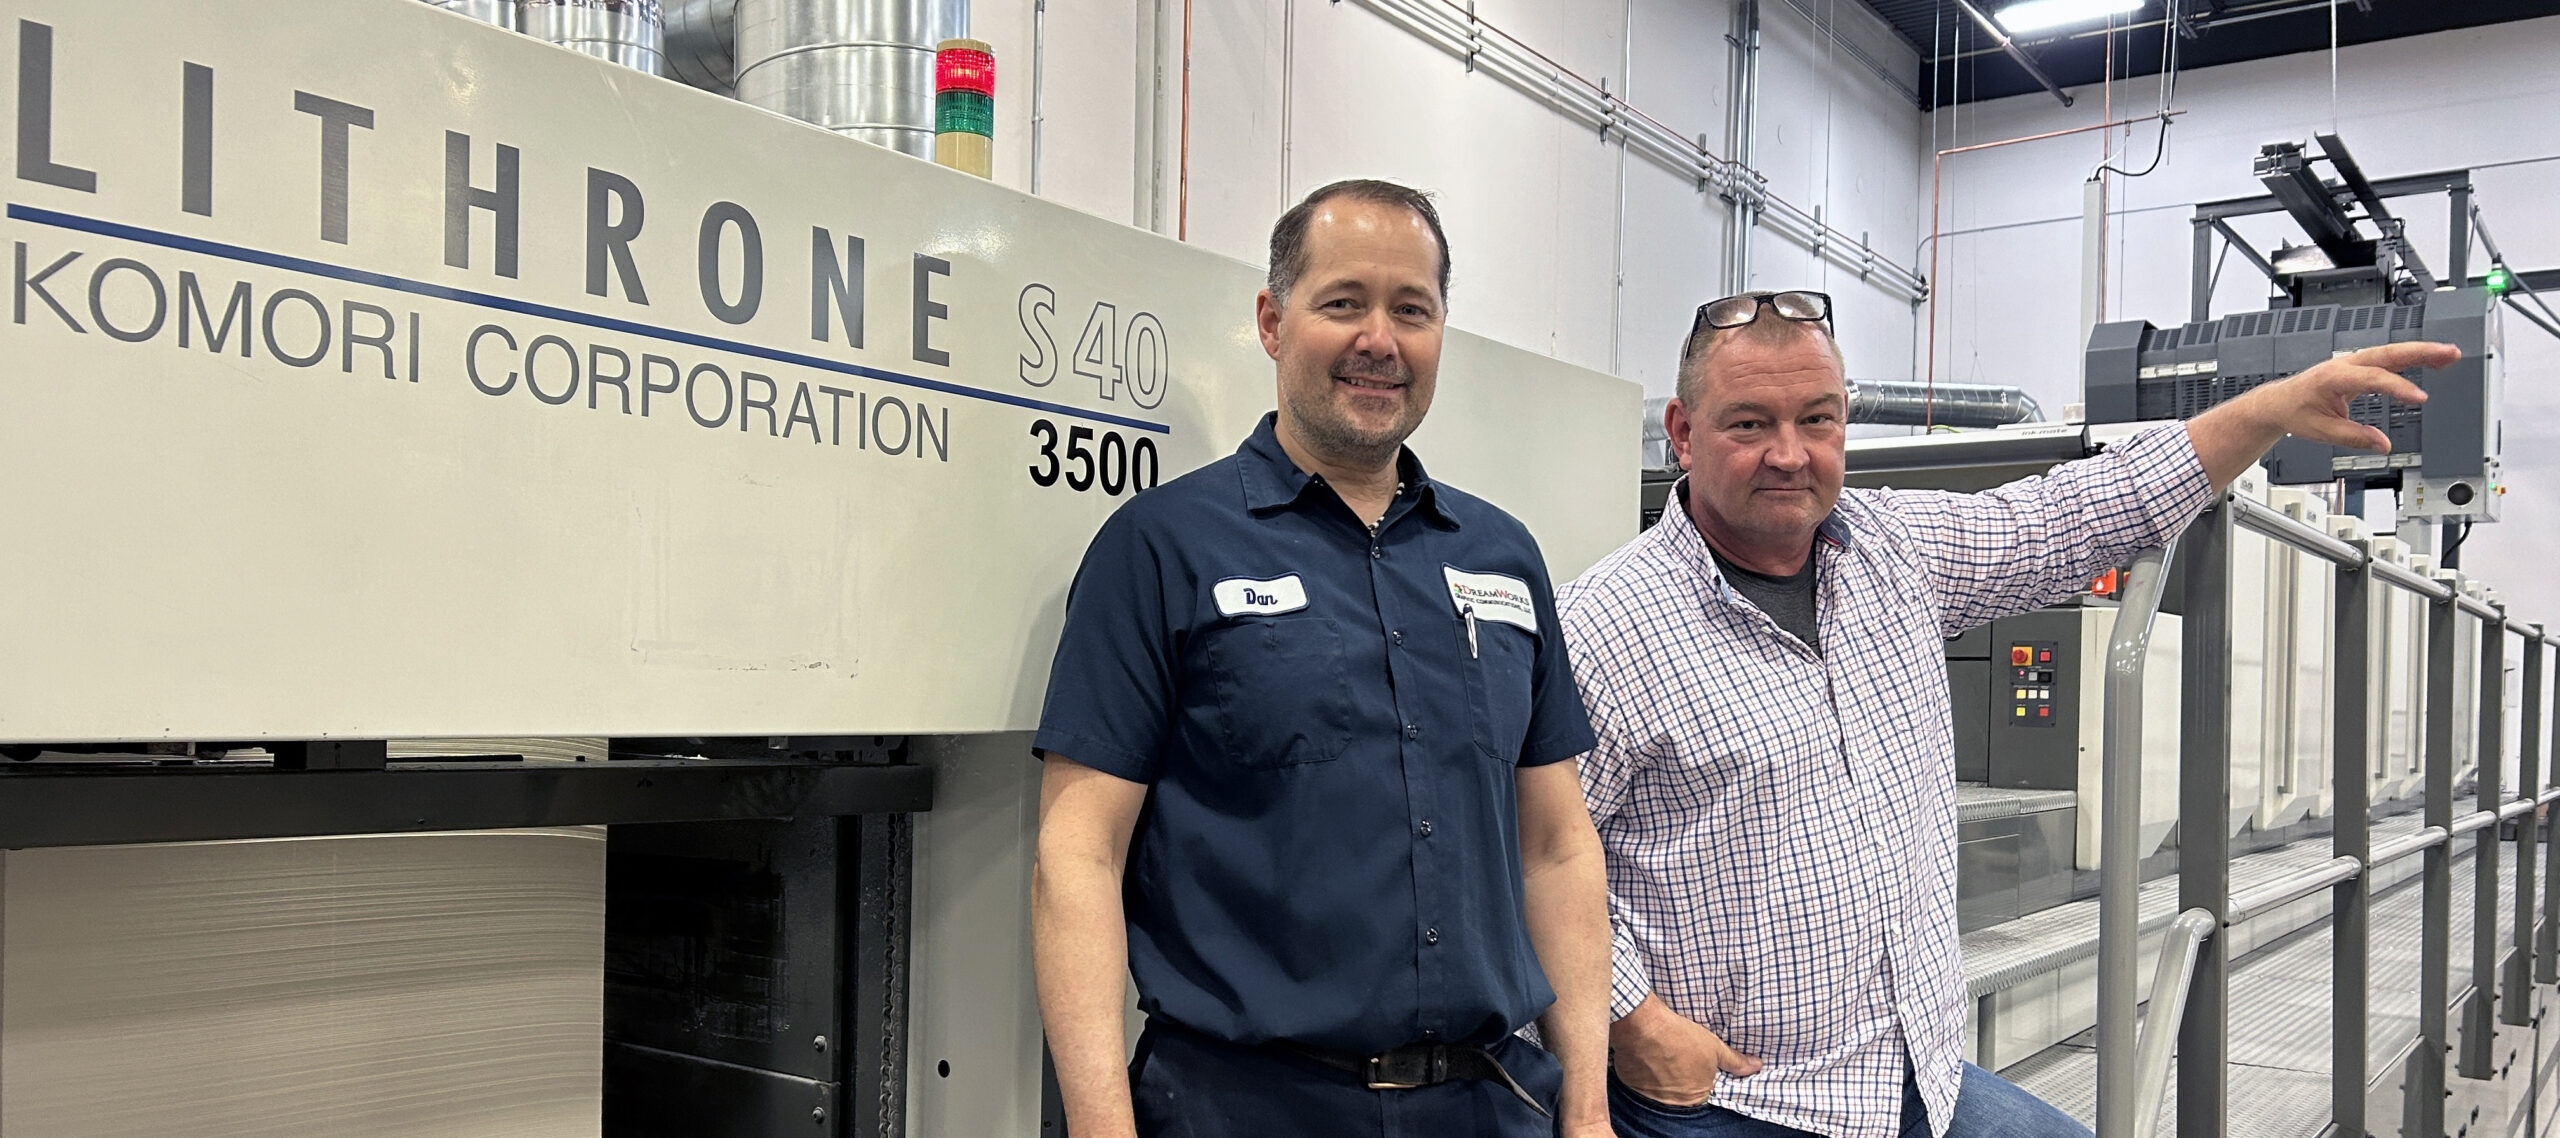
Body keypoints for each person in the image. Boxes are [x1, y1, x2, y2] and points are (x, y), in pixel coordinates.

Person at [1557, 288, 2455, 1138]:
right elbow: (1527, 851)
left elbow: (2071, 514)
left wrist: (2269, 411)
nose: (1790, 453)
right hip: (1740, 1097)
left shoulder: (1890, 553)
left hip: (1917, 1073)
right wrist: (1635, 1022)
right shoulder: (1605, 626)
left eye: (1817, 420)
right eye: (1749, 424)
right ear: (1682, 433)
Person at [1028, 179, 1615, 1138]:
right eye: (1343, 302)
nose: (1379, 340)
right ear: (1272, 320)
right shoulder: (1163, 548)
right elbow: (1077, 855)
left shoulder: (1502, 556)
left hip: (1488, 1105)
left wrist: (1585, 1109)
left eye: (1411, 310)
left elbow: (1555, 847)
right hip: (1243, 1105)